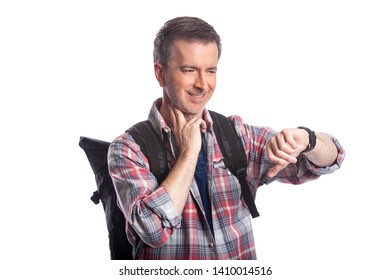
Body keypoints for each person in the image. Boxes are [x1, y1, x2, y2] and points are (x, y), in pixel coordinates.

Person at [108, 16, 345, 260]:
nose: (202, 84)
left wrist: (307, 139)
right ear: (160, 73)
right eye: (189, 70)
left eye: (210, 71)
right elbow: (152, 230)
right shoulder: (129, 149)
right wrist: (190, 153)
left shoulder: (237, 135)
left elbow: (332, 157)